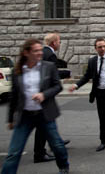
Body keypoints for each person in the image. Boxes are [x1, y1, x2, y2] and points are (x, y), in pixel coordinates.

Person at [1, 38, 69, 174]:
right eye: (36, 51)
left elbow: (57, 86)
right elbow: (14, 96)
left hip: (45, 115)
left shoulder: (48, 67)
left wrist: (44, 95)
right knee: (14, 152)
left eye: (40, 50)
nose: (40, 53)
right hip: (25, 116)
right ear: (26, 53)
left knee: (57, 145)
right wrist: (10, 119)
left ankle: (63, 166)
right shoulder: (18, 71)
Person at [34, 33, 71, 164]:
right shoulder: (50, 55)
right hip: (45, 94)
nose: (60, 44)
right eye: (59, 41)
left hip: (41, 93)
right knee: (44, 124)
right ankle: (40, 153)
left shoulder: (44, 52)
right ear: (54, 43)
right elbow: (52, 74)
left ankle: (55, 142)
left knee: (48, 121)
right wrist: (68, 72)